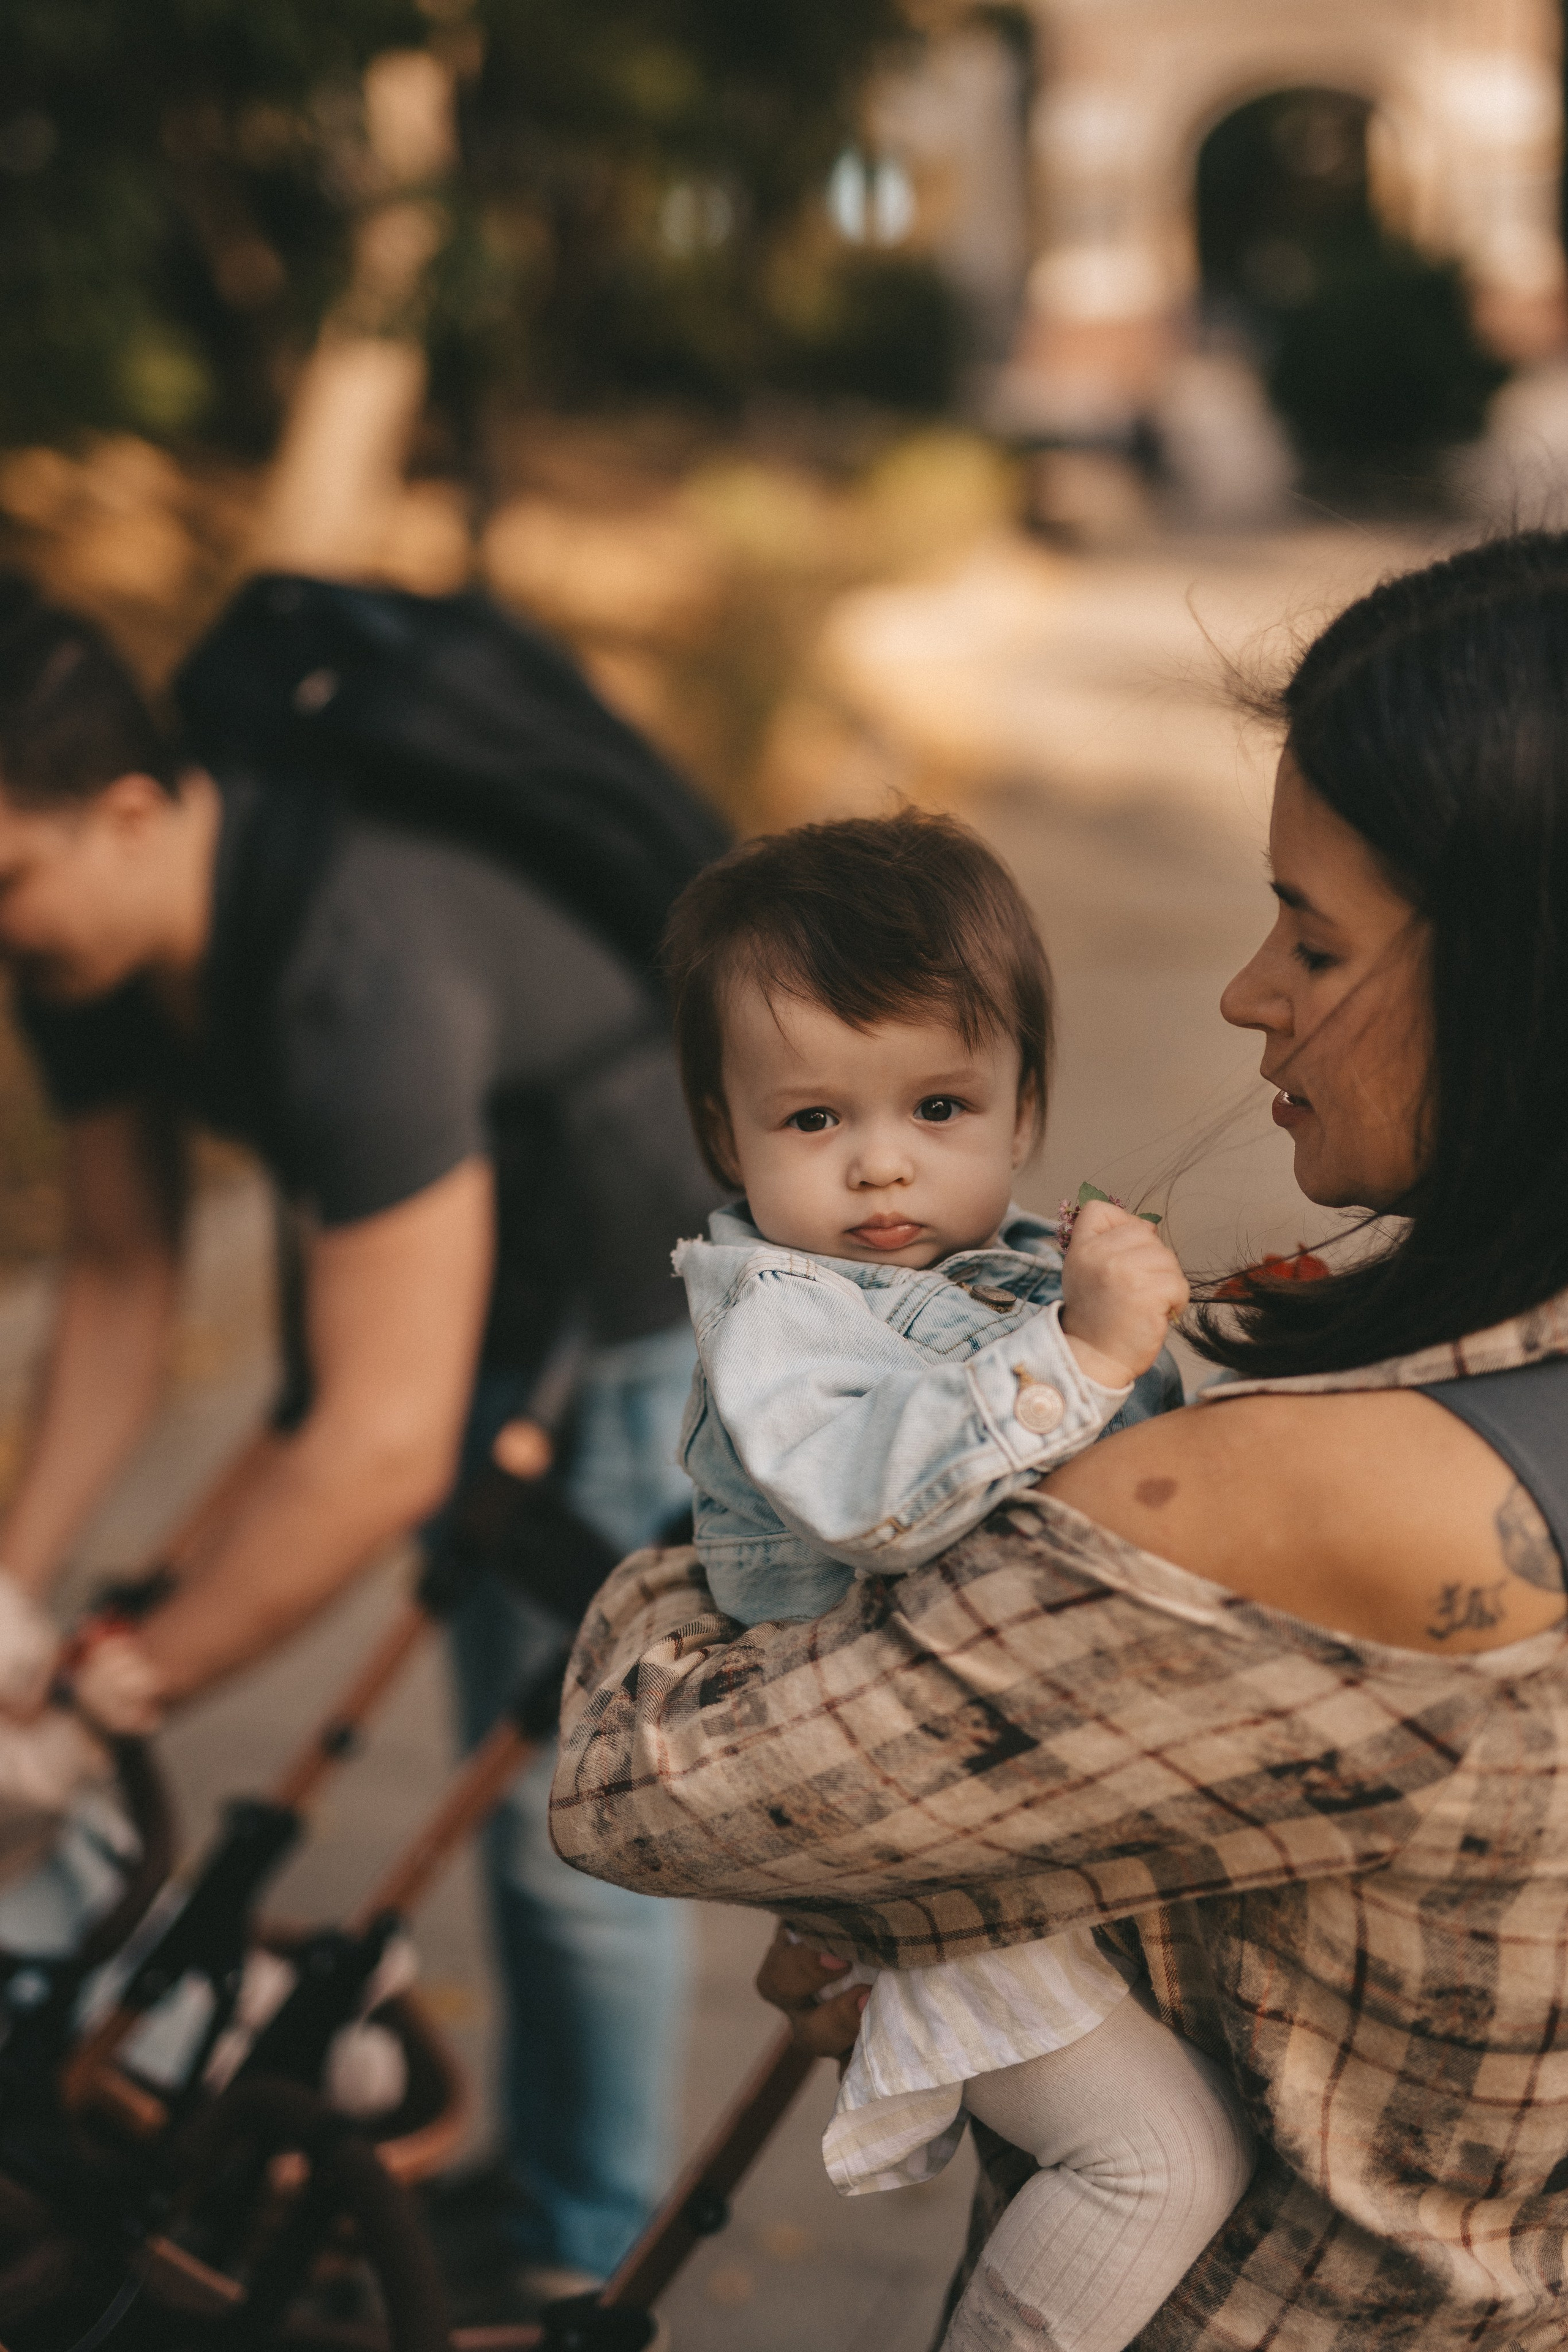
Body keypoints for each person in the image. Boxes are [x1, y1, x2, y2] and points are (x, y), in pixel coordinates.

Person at [551, 531, 1568, 2352]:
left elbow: (642, 1783)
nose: (1253, 992)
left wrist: (677, 1573)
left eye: (1315, 937)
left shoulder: (1318, 1501)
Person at [0, 576, 721, 2309]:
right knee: (503, 1729)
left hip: (630, 1288)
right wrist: (14, 1601)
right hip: (472, 1275)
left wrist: (105, 1702)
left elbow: (376, 1449)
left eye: (6, 877)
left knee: (567, 1790)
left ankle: (576, 2255)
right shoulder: (78, 940)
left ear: (128, 810)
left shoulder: (353, 944)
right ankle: (538, 2196)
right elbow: (114, 1281)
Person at [660, 809, 1256, 2347]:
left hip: (1006, 1815)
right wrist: (1079, 1354)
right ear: (725, 1136)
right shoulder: (783, 1315)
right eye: (810, 1122)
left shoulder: (997, 1268)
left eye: (938, 1105)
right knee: (1151, 2163)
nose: (880, 1164)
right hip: (919, 1848)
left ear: (1020, 1106)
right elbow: (873, 1500)